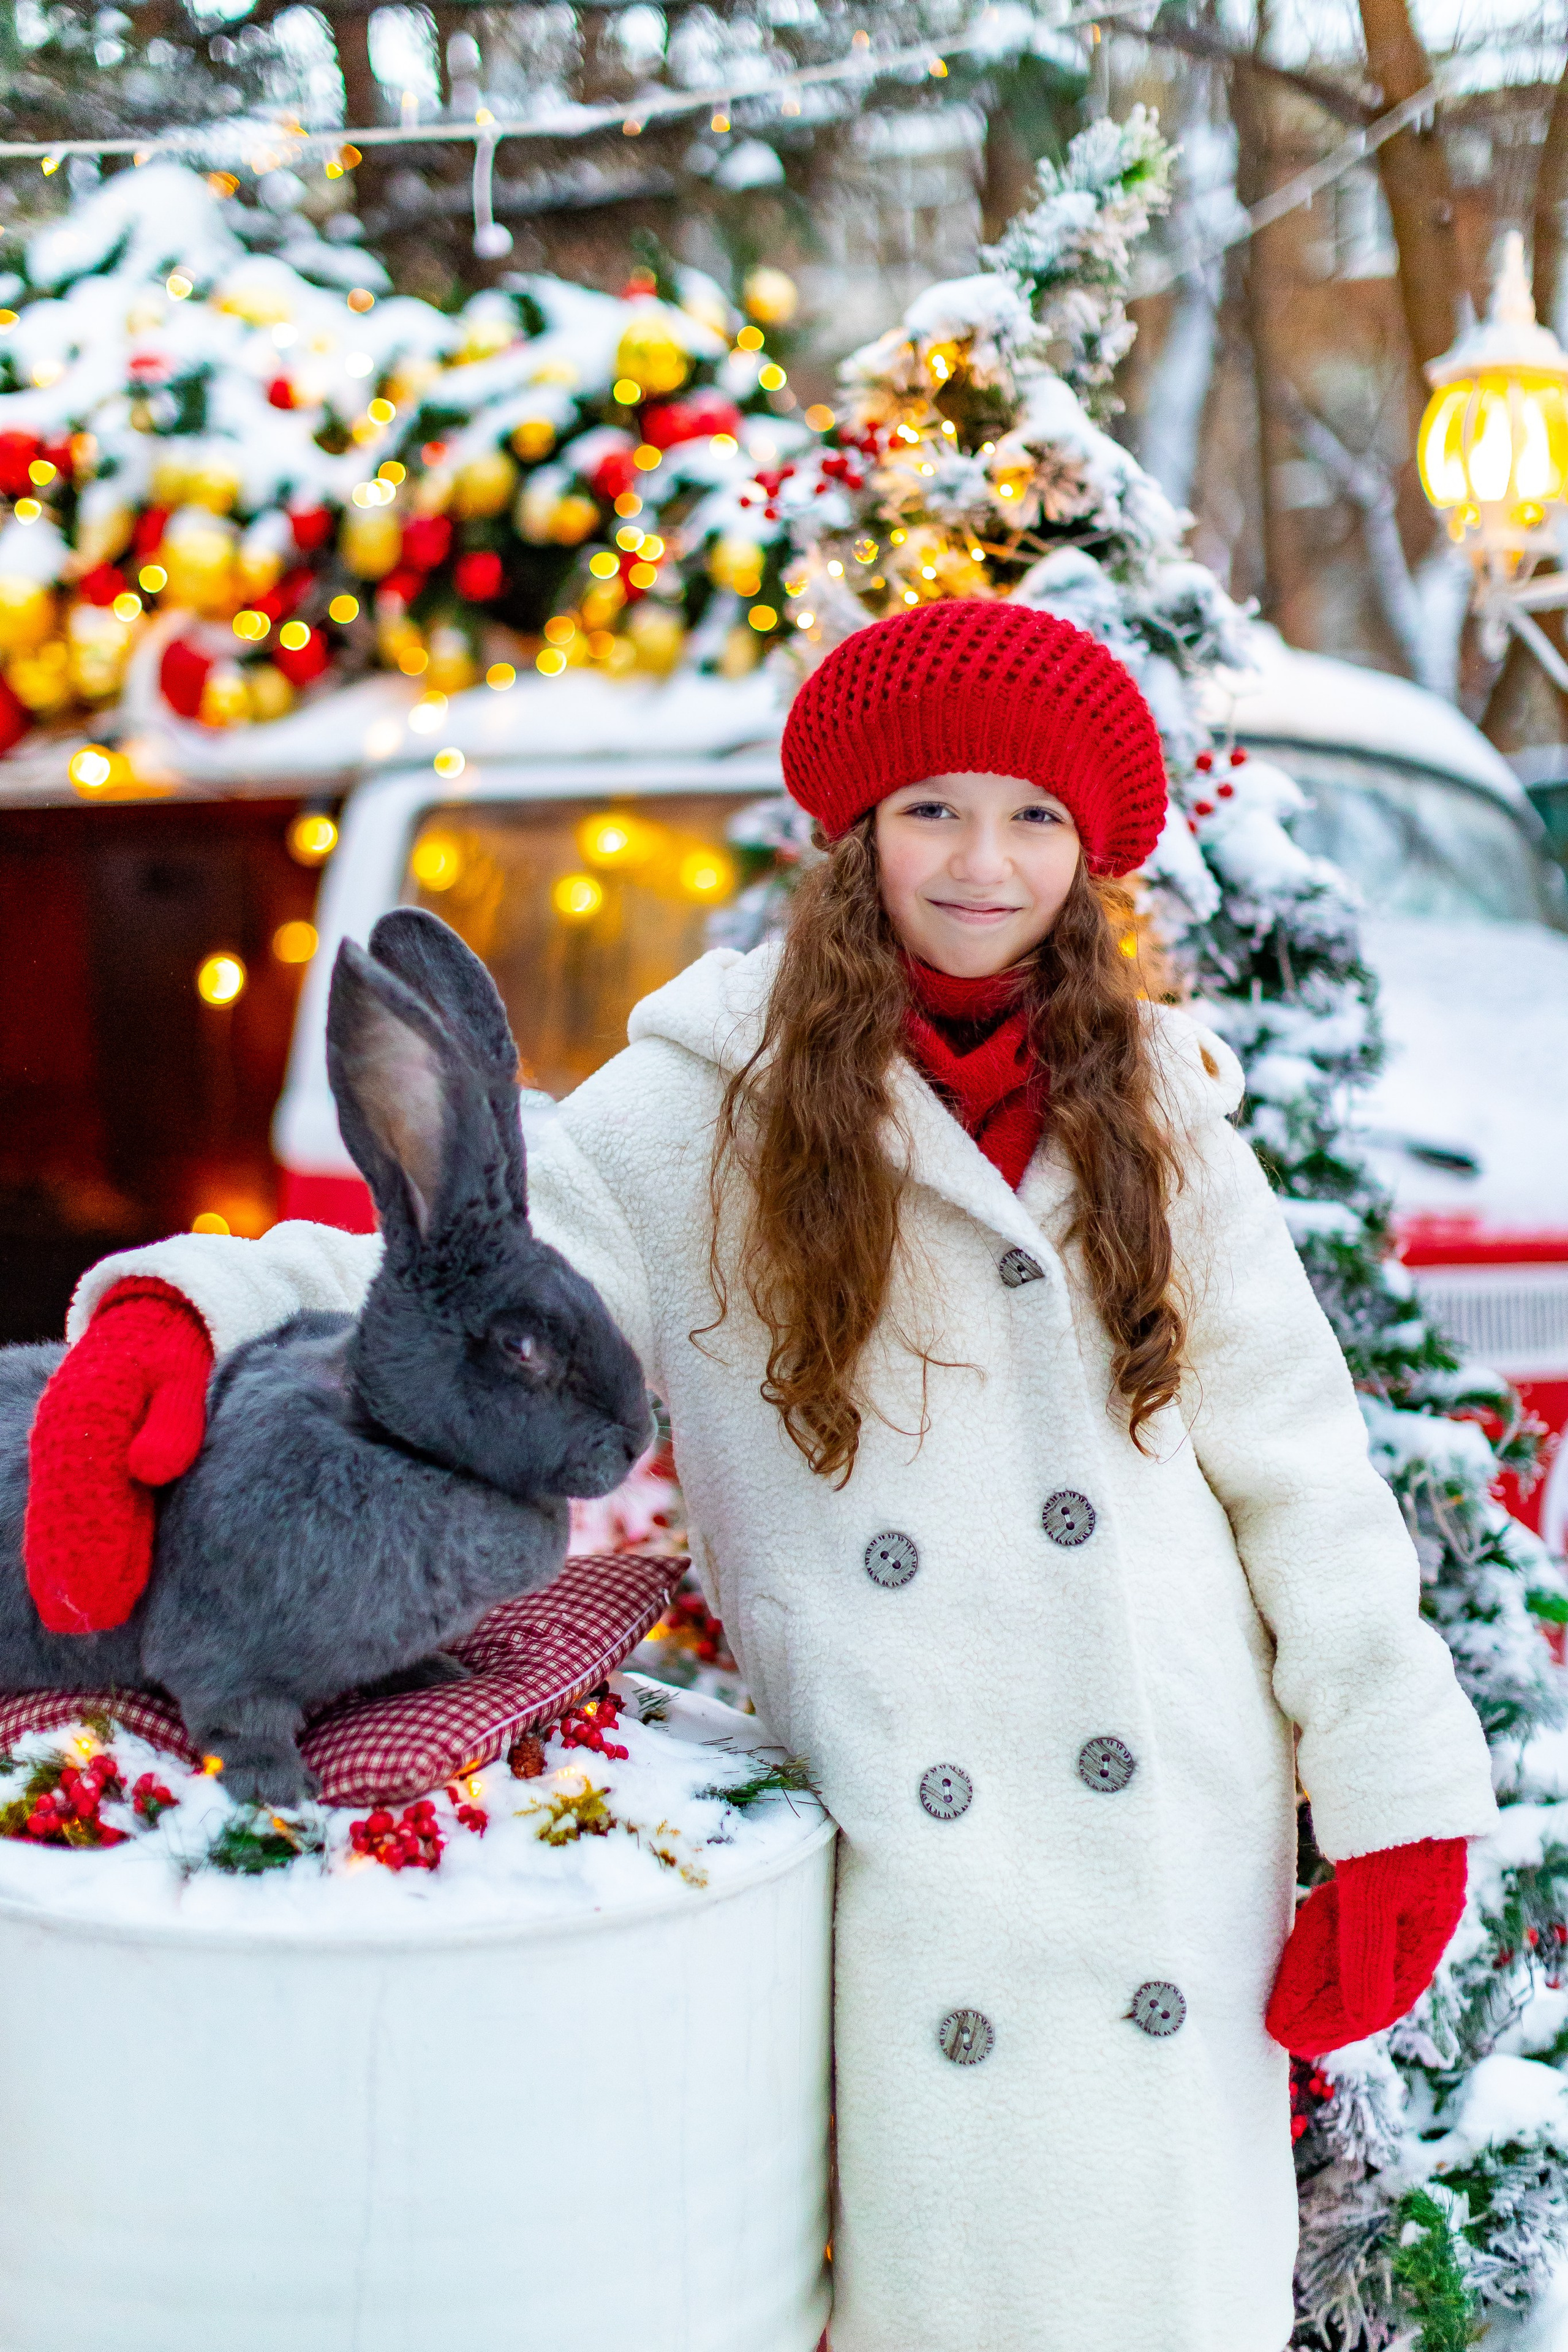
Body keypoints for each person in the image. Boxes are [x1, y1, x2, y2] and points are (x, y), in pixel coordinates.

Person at [25, 600, 1495, 2351]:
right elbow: (453, 1270)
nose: (983, 860)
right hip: (910, 1853)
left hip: (1172, 1830)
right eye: (934, 808)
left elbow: (1304, 1473)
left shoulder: (1168, 1115)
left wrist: (1399, 1792)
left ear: (1091, 855)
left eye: (1033, 817)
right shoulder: (693, 1111)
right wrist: (186, 1316)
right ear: (854, 832)